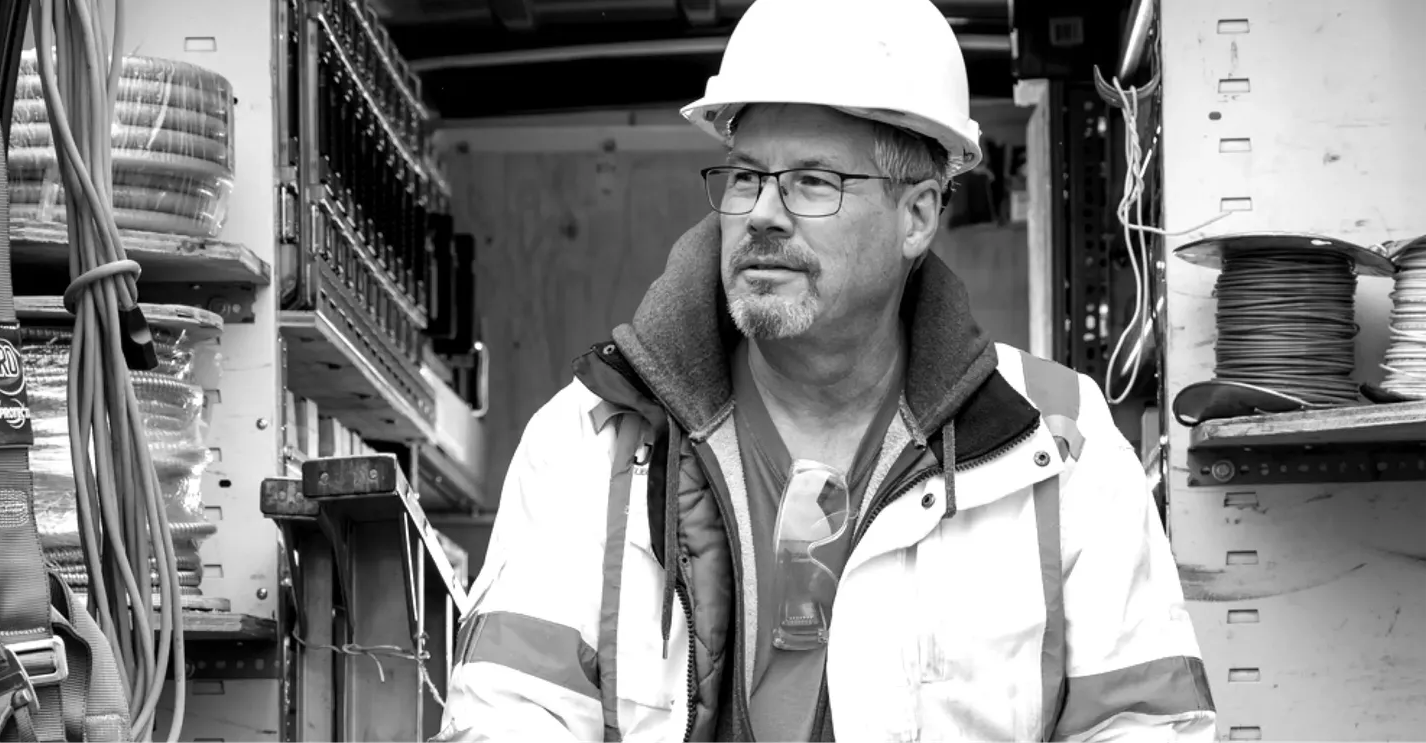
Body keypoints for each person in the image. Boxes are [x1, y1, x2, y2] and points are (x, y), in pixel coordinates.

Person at [433, 0, 1217, 740]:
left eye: (813, 181)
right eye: (745, 176)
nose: (762, 212)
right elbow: (509, 716)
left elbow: (1147, 725)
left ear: (917, 216)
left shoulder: (1059, 442)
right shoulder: (590, 438)